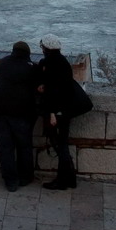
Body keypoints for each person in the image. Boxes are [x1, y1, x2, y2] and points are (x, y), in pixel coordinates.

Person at [0, 40, 40, 192]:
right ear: (27, 54)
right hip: (21, 112)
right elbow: (37, 88)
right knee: (24, 145)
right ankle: (25, 177)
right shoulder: (31, 68)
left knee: (6, 147)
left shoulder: (2, 63)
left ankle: (10, 181)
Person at [37, 34, 77, 190]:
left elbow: (53, 90)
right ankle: (70, 179)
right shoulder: (63, 62)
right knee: (63, 145)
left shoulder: (50, 64)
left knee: (60, 146)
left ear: (46, 48)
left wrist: (52, 113)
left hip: (56, 111)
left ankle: (63, 181)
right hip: (66, 109)